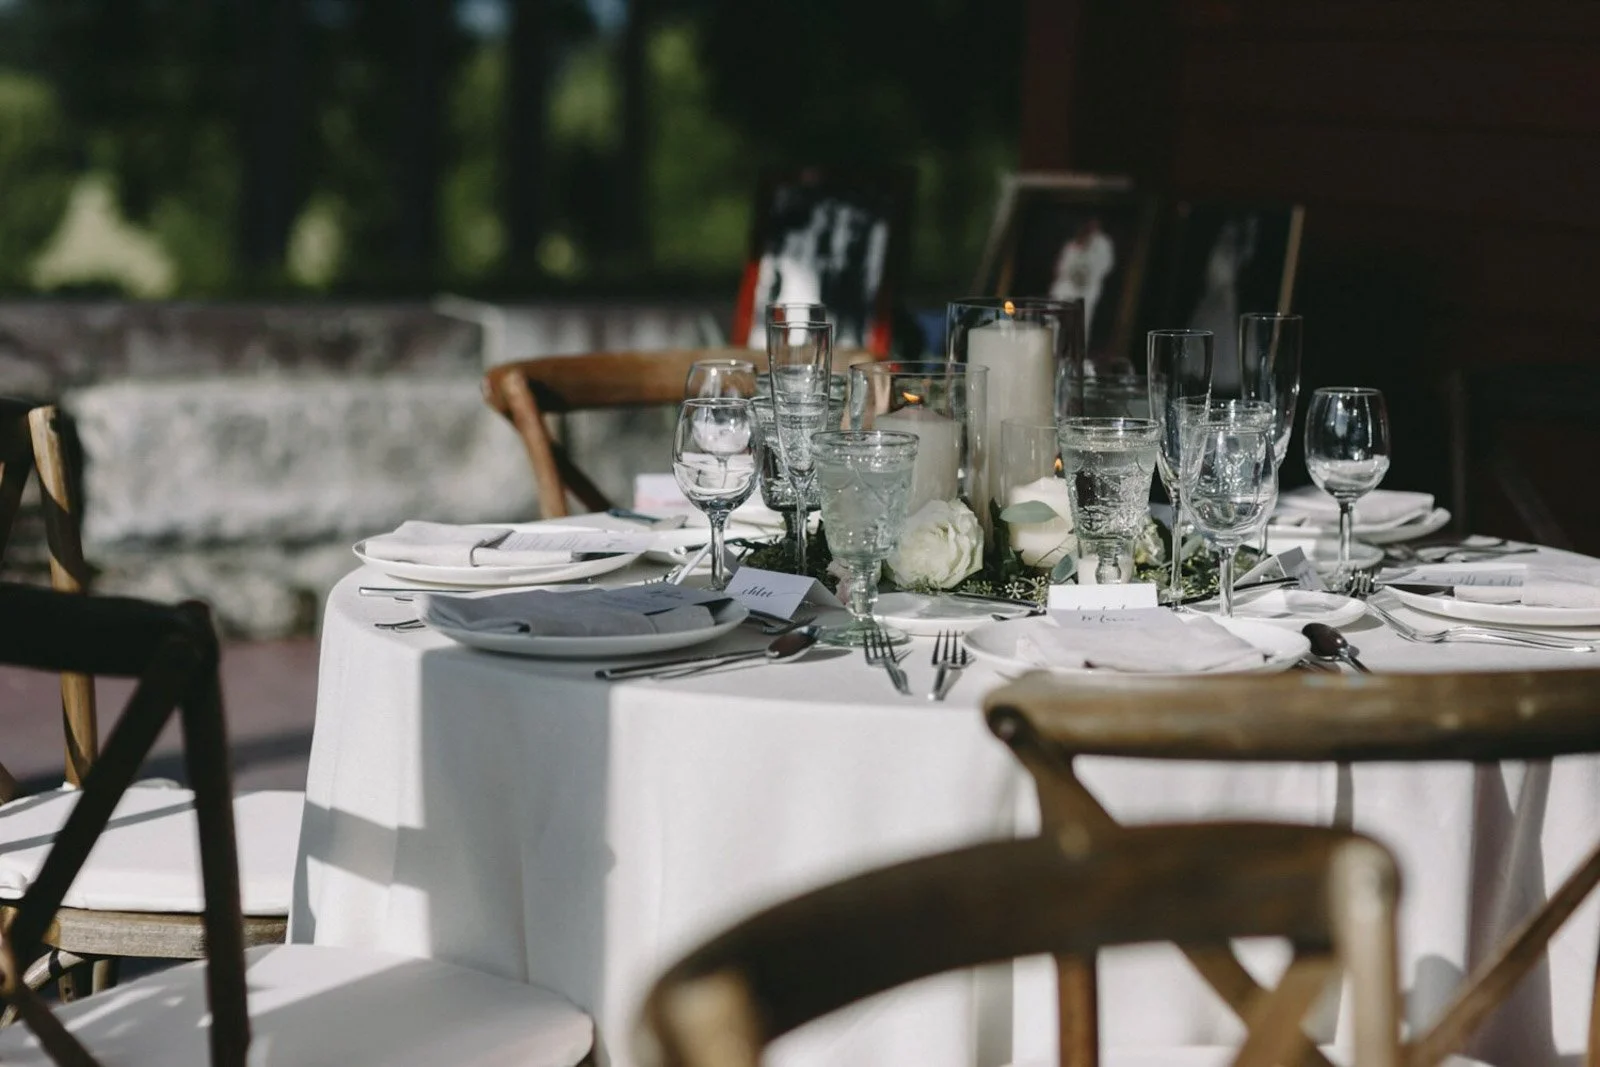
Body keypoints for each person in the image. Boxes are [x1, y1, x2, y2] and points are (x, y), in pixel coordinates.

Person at [1049, 217, 1116, 337]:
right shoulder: (1072, 244)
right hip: (1065, 288)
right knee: (1057, 319)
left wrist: (1086, 274)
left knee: (1080, 321)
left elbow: (1105, 265)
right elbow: (1061, 266)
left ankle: (1074, 351)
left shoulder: (1102, 243)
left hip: (1085, 289)